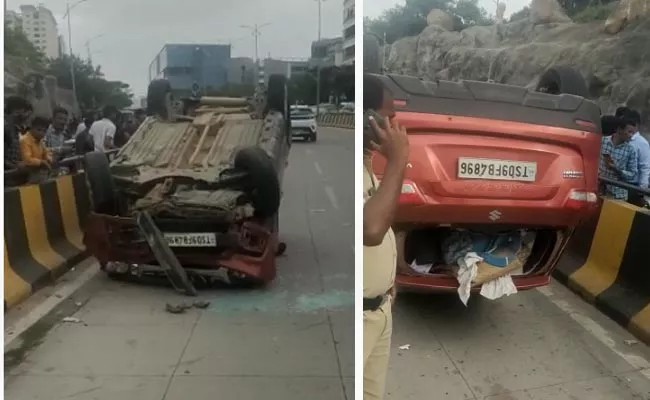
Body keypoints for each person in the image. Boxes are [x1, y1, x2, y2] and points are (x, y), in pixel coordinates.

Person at [363, 74, 409, 400]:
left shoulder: (366, 165)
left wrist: (389, 280)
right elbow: (371, 230)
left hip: (380, 309)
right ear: (369, 118)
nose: (396, 126)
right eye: (389, 116)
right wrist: (398, 159)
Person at [599, 116, 638, 200]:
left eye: (633, 133)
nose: (631, 136)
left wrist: (618, 170)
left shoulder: (631, 150)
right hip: (599, 189)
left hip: (617, 194)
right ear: (620, 129)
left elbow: (633, 175)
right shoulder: (602, 141)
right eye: (629, 132)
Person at [20, 116, 53, 184]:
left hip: (39, 173)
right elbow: (27, 159)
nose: (41, 133)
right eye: (39, 130)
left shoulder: (40, 141)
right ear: (31, 128)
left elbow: (46, 153)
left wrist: (48, 159)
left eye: (44, 131)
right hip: (27, 175)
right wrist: (42, 162)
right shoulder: (24, 140)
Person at [5, 96, 32, 170]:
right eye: (20, 110)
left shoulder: (25, 130)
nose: (25, 114)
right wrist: (15, 166)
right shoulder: (6, 130)